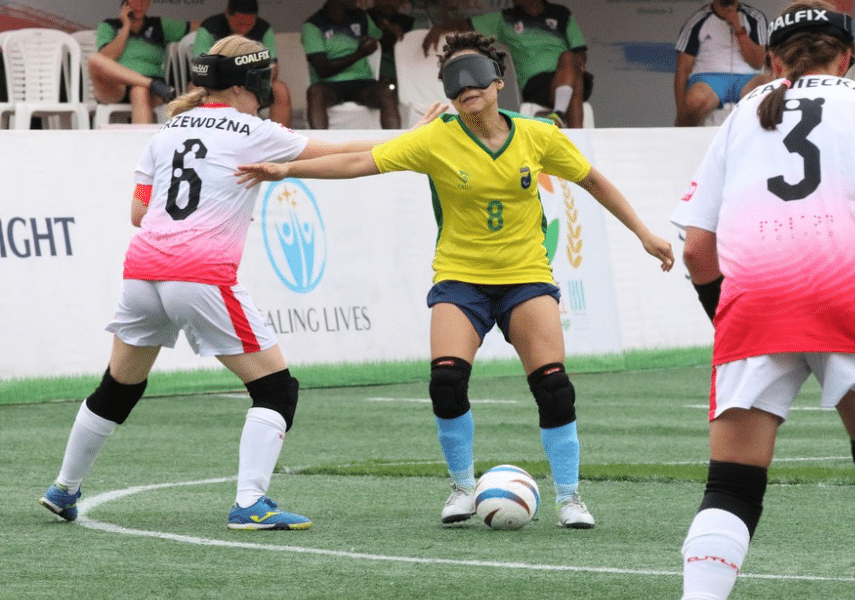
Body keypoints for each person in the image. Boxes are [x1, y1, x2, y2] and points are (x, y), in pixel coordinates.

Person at [236, 32, 675, 529]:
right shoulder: (436, 139)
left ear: (498, 81)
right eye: (454, 81)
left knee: (554, 388)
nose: (467, 88)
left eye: (477, 77)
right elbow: (360, 161)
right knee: (446, 382)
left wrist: (643, 232)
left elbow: (593, 180)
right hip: (460, 280)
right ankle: (463, 489)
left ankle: (570, 498)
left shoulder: (537, 135)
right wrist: (287, 170)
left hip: (526, 278)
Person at [38, 35, 444, 531]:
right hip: (199, 272)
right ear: (248, 83)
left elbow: (139, 212)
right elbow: (343, 152)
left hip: (143, 270)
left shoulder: (168, 129)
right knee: (277, 389)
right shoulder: (253, 130)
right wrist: (416, 136)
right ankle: (251, 503)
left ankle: (63, 489)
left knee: (118, 387)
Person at [670, 3, 855, 598]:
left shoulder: (742, 114)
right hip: (847, 297)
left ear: (771, 61)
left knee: (732, 486)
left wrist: (727, 320)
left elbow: (696, 250)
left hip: (755, 301)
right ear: (848, 57)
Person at [421, 0, 592, 129]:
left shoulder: (561, 13)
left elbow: (580, 51)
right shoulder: (506, 18)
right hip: (536, 85)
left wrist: (577, 65)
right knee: (575, 85)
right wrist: (438, 29)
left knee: (569, 57)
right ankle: (575, 137)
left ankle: (559, 116)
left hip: (566, 76)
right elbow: (465, 24)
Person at [89, 0, 198, 124]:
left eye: (144, 0)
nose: (140, 4)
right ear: (125, 3)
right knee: (94, 59)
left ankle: (140, 142)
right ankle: (151, 83)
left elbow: (197, 26)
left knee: (140, 90)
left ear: (149, 3)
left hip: (150, 92)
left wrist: (220, 23)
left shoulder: (160, 25)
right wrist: (126, 27)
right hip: (117, 87)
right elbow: (108, 57)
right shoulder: (109, 25)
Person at [301, 0, 401, 129]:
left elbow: (383, 43)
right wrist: (359, 54)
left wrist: (389, 30)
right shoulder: (312, 25)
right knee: (314, 92)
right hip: (329, 85)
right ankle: (322, 147)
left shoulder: (361, 17)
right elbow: (322, 69)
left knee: (388, 92)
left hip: (362, 82)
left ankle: (396, 146)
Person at [193, 0, 293, 127]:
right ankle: (203, 132)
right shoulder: (209, 28)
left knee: (280, 89)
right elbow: (200, 69)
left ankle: (280, 140)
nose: (244, 28)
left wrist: (249, 79)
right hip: (216, 85)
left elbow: (273, 69)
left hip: (251, 84)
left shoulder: (263, 29)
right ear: (228, 14)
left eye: (249, 24)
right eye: (239, 23)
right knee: (194, 88)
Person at [674, 0, 768, 126]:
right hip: (709, 80)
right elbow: (682, 70)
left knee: (768, 93)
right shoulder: (697, 20)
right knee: (694, 101)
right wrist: (681, 113)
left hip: (748, 78)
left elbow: (757, 62)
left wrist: (738, 27)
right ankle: (681, 139)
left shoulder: (755, 18)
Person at [367, 0, 416, 88]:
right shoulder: (361, 19)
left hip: (399, 80)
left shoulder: (408, 23)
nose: (391, 3)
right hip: (367, 78)